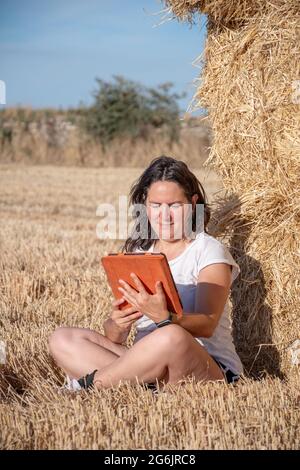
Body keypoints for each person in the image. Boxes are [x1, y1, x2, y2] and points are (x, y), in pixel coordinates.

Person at [49, 156, 243, 392]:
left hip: (206, 369)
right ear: (145, 205)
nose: (165, 215)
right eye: (156, 205)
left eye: (174, 205)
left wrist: (166, 317)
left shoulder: (208, 250)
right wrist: (117, 325)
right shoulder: (138, 253)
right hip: (149, 368)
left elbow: (207, 324)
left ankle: (88, 387)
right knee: (63, 338)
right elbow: (115, 340)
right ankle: (138, 386)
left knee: (171, 335)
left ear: (193, 204)